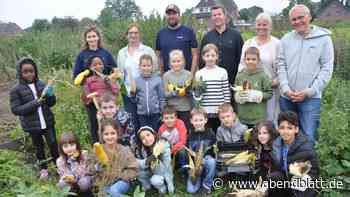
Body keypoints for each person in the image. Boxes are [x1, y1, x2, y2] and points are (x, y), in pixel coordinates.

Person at [277, 4, 334, 145]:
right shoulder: (286, 39)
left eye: (300, 17)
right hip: (287, 97)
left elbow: (327, 68)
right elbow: (281, 64)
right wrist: (285, 88)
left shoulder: (324, 39)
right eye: (294, 19)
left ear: (309, 17)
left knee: (308, 135)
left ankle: (307, 166)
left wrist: (310, 91)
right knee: (287, 135)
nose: (297, 22)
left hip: (310, 98)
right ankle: (289, 165)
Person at [10, 57, 59, 180]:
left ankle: (59, 166)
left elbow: (51, 104)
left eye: (31, 71)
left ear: (35, 71)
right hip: (32, 125)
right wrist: (34, 103)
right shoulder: (16, 90)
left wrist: (51, 96)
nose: (29, 74)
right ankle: (43, 168)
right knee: (39, 147)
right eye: (25, 72)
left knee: (53, 143)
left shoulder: (41, 84)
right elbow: (16, 110)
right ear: (20, 73)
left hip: (47, 121)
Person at [239, 12, 280, 124]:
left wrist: (277, 81)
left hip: (270, 87)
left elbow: (282, 67)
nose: (261, 27)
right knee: (254, 118)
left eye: (265, 24)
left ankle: (270, 141)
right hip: (251, 88)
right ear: (255, 26)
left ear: (270, 26)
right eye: (259, 24)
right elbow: (242, 65)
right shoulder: (248, 43)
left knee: (270, 118)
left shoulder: (277, 44)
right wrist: (243, 84)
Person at [117, 23, 158, 131]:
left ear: (139, 35)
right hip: (128, 93)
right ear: (126, 35)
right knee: (133, 121)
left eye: (136, 33)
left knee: (145, 122)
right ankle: (135, 147)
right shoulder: (122, 52)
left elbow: (155, 70)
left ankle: (149, 146)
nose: (133, 35)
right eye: (130, 33)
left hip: (145, 91)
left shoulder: (147, 50)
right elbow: (120, 74)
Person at [269, 111, 319, 197]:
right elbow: (277, 168)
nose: (285, 131)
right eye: (282, 128)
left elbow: (313, 173)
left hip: (304, 182)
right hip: (287, 178)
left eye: (289, 128)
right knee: (274, 177)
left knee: (297, 182)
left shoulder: (305, 147)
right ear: (278, 129)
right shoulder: (276, 144)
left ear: (296, 129)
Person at [93, 118, 138, 197]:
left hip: (122, 181)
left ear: (118, 134)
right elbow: (90, 167)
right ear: (102, 135)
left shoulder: (125, 150)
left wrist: (119, 174)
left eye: (112, 133)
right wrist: (97, 167)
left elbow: (134, 169)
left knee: (113, 191)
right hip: (105, 181)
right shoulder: (98, 150)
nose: (109, 137)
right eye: (106, 134)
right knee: (103, 194)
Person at [200, 4, 244, 84]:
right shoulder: (207, 37)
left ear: (225, 16)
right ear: (211, 18)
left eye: (219, 14)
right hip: (211, 82)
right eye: (214, 15)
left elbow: (242, 58)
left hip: (233, 80)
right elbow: (201, 61)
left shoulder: (236, 36)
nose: (217, 17)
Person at [81, 55, 119, 143]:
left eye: (100, 64)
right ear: (90, 67)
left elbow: (116, 91)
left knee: (110, 127)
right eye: (95, 65)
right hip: (94, 108)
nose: (98, 66)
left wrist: (108, 81)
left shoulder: (107, 78)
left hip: (108, 108)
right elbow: (86, 96)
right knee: (96, 127)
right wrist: (93, 97)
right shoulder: (88, 80)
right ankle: (97, 146)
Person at [195, 43, 231, 132]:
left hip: (219, 109)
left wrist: (226, 106)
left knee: (220, 131)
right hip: (205, 110)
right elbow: (197, 95)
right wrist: (198, 104)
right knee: (208, 132)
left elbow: (226, 90)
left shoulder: (222, 72)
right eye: (207, 55)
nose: (210, 58)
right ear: (203, 57)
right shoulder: (199, 73)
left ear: (217, 56)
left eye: (213, 55)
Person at [156, 4, 198, 77]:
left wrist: (192, 75)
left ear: (179, 15)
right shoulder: (161, 33)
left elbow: (195, 55)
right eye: (169, 14)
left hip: (186, 78)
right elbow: (158, 56)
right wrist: (162, 75)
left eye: (174, 14)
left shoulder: (189, 32)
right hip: (168, 79)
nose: (171, 16)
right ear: (166, 16)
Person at [234, 47, 272, 128]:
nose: (250, 61)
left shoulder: (263, 76)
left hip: (258, 117)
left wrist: (260, 95)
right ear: (244, 60)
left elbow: (269, 93)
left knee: (256, 139)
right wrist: (237, 96)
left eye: (253, 59)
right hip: (243, 117)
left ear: (258, 61)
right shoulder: (239, 76)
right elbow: (235, 90)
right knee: (244, 138)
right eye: (248, 59)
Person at [186, 107, 216, 195]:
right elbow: (188, 153)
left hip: (206, 160)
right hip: (195, 165)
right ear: (191, 121)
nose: (198, 123)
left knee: (212, 162)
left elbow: (214, 150)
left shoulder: (210, 133)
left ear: (205, 120)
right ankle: (200, 177)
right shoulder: (190, 135)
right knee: (191, 190)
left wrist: (205, 159)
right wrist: (191, 169)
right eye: (195, 120)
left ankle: (206, 185)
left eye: (201, 120)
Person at [135, 126, 174, 194]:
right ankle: (147, 186)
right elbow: (137, 162)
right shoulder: (141, 149)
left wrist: (155, 158)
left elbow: (167, 166)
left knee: (155, 180)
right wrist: (148, 160)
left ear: (154, 135)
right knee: (138, 171)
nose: (146, 139)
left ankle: (162, 188)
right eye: (143, 138)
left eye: (148, 135)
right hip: (149, 170)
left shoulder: (163, 145)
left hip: (161, 172)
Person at [132, 54, 165, 131]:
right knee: (145, 132)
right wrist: (133, 96)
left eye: (148, 66)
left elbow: (161, 98)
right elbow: (134, 100)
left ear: (152, 67)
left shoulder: (158, 80)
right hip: (142, 114)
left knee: (155, 131)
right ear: (139, 67)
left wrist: (162, 111)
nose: (146, 68)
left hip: (155, 113)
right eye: (144, 66)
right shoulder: (136, 81)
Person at [56, 132, 93, 196]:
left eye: (72, 145)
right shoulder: (60, 160)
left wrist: (74, 161)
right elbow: (64, 174)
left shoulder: (84, 154)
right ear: (61, 148)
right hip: (71, 182)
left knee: (83, 183)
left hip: (83, 178)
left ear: (77, 144)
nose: (69, 148)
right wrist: (70, 178)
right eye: (65, 146)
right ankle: (71, 194)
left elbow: (86, 172)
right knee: (62, 184)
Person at [163, 49, 192, 129]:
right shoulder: (166, 76)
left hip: (185, 108)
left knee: (185, 128)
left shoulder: (188, 75)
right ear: (170, 63)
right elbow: (165, 94)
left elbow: (191, 93)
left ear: (183, 62)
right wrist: (175, 92)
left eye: (178, 61)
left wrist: (188, 92)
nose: (176, 63)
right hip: (172, 109)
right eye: (174, 61)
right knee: (173, 129)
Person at [158, 105, 188, 171]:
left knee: (182, 151)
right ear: (162, 119)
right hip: (167, 149)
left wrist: (172, 149)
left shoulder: (180, 123)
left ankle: (183, 169)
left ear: (176, 118)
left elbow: (183, 141)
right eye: (166, 118)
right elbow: (161, 144)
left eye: (172, 117)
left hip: (178, 147)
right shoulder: (161, 129)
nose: (169, 120)